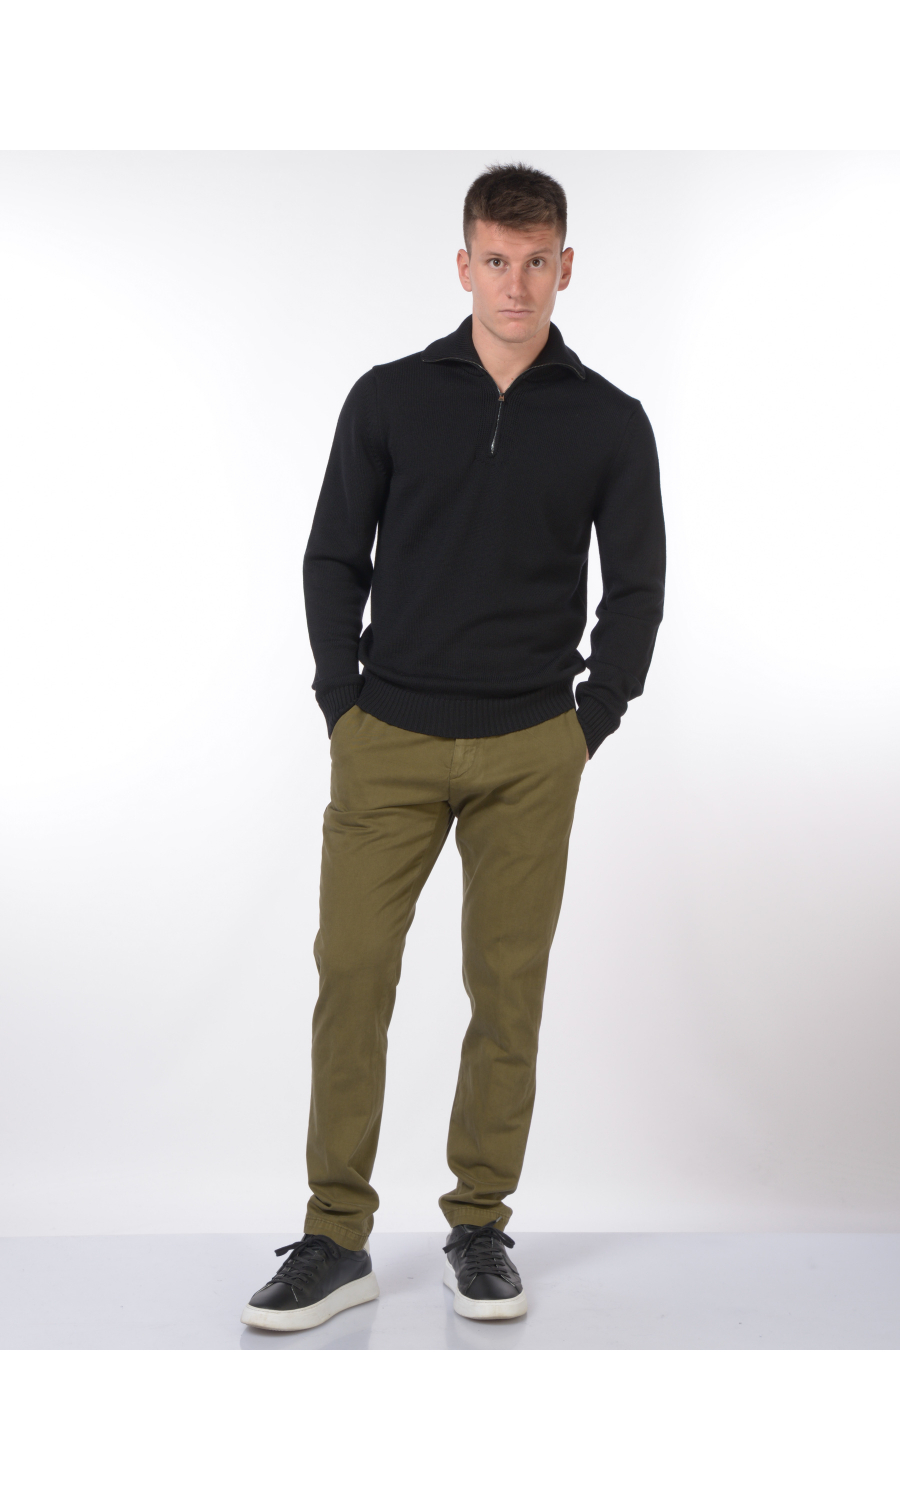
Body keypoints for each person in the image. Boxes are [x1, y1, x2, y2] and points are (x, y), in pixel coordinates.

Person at [241, 162, 666, 1333]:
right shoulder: (389, 399)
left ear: (565, 267)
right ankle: (336, 1238)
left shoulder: (610, 421)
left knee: (506, 991)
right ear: (464, 264)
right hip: (388, 738)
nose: (514, 284)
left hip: (533, 747)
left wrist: (587, 725)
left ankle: (479, 1225)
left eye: (535, 262)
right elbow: (334, 557)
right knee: (352, 976)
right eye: (494, 260)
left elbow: (636, 590)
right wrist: (343, 705)